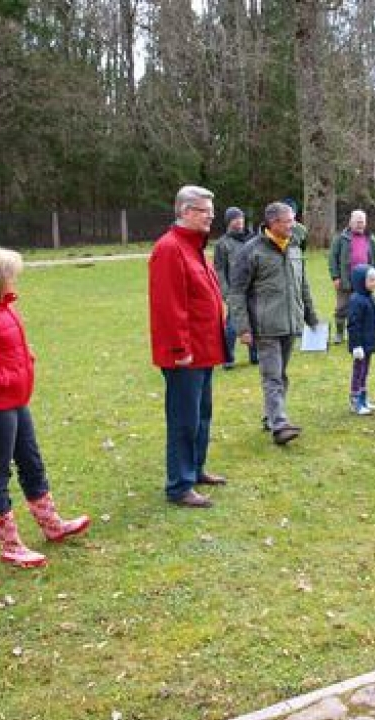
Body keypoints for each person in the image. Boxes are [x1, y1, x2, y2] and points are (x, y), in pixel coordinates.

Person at [0, 244, 90, 568]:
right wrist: (8, 374)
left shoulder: (0, 305)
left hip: (14, 401)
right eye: (9, 277)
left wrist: (24, 359)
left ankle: (52, 525)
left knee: (32, 463)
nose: (14, 282)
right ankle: (11, 545)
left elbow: (2, 345)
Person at [149, 185, 228, 509]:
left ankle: (195, 469)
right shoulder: (170, 249)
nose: (211, 215)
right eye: (203, 210)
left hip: (205, 350)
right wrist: (180, 350)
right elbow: (169, 306)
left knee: (201, 415)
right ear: (184, 211)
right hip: (186, 355)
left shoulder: (195, 247)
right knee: (184, 419)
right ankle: (179, 485)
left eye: (211, 209)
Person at [230, 201, 321, 446]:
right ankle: (280, 424)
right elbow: (236, 292)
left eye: (293, 219)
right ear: (273, 223)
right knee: (272, 377)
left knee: (281, 374)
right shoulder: (251, 251)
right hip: (265, 327)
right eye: (288, 221)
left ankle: (270, 416)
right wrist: (243, 328)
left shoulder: (294, 247)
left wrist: (312, 318)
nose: (293, 225)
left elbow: (303, 285)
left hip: (290, 324)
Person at [213, 206, 257, 368]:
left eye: (241, 218)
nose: (239, 221)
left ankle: (255, 355)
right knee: (232, 325)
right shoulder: (222, 244)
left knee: (254, 321)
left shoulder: (253, 239)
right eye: (235, 218)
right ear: (228, 222)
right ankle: (228, 358)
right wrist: (226, 292)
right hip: (235, 292)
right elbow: (219, 270)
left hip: (253, 289)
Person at [329, 209, 375, 344]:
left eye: (362, 222)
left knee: (366, 307)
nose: (360, 224)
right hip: (345, 280)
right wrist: (335, 277)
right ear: (350, 222)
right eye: (357, 222)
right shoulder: (340, 238)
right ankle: (339, 333)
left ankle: (363, 333)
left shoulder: (371, 239)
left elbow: (374, 260)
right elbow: (333, 258)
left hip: (365, 281)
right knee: (341, 308)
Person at [347, 265, 375, 415]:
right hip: (361, 345)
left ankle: (363, 398)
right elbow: (353, 324)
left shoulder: (370, 298)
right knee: (358, 371)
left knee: (365, 371)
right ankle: (355, 401)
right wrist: (356, 346)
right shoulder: (356, 300)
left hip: (369, 343)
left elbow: (370, 320)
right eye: (371, 280)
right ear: (361, 281)